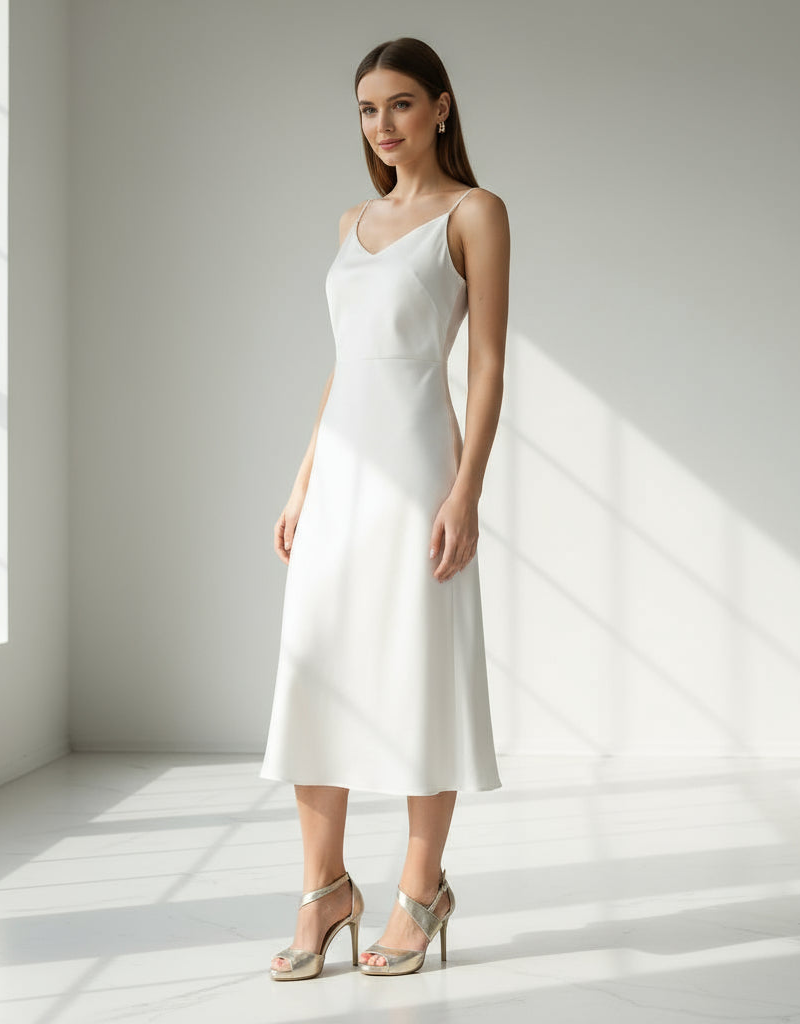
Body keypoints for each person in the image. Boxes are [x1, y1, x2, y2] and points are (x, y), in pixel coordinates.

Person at [259, 36, 510, 980]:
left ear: (442, 107)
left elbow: (484, 365)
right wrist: (300, 481)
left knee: (415, 674)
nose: (383, 125)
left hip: (417, 475)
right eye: (368, 110)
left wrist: (466, 490)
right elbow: (346, 368)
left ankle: (420, 888)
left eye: (401, 105)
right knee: (315, 671)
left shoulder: (475, 214)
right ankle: (325, 889)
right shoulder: (351, 221)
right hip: (341, 477)